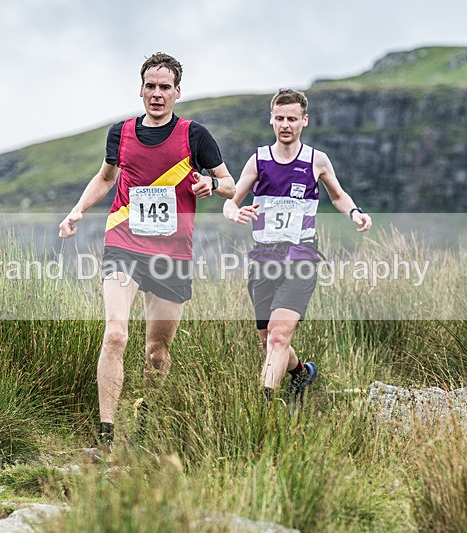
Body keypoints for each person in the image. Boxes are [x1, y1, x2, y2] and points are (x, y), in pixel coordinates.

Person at [59, 52, 235, 449]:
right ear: (141, 89)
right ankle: (105, 438)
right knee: (116, 334)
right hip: (124, 244)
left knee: (156, 352)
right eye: (150, 87)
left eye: (164, 88)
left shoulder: (194, 135)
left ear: (177, 92)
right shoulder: (120, 134)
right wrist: (77, 211)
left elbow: (229, 183)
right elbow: (105, 179)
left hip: (172, 253)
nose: (157, 94)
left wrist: (211, 185)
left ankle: (146, 430)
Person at [223, 88, 372, 405]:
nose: (285, 125)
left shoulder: (316, 160)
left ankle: (263, 406)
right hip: (264, 259)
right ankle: (302, 373)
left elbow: (338, 195)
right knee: (268, 341)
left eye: (292, 118)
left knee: (279, 335)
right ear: (271, 120)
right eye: (279, 118)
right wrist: (235, 212)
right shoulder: (259, 159)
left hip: (301, 258)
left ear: (304, 120)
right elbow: (230, 201)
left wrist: (355, 212)